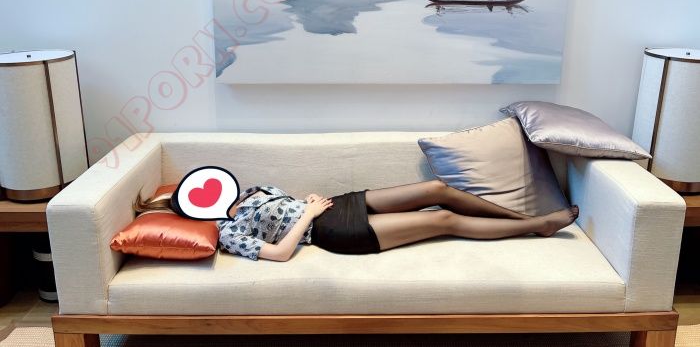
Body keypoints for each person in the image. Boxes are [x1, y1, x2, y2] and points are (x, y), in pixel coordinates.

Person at [135, 181, 579, 262]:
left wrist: (308, 199)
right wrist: (310, 214)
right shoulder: (228, 234)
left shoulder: (249, 190)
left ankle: (529, 216)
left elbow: (287, 204)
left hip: (339, 204)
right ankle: (537, 227)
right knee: (442, 219)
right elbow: (280, 253)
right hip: (331, 231)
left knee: (438, 190)